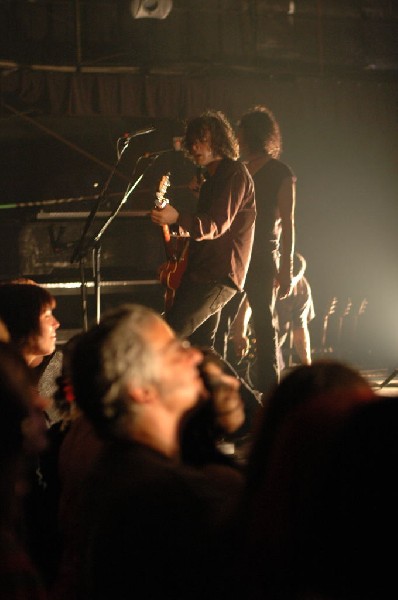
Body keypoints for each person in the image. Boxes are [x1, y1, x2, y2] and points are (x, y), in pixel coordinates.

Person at [63, 304, 245, 599]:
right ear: (140, 389)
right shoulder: (164, 498)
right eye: (176, 351)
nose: (196, 355)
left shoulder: (120, 472)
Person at [151, 109, 256, 348]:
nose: (195, 147)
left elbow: (216, 225)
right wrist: (180, 229)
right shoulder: (211, 180)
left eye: (202, 140)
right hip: (203, 271)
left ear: (219, 140)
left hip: (219, 274)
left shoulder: (234, 173)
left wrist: (177, 217)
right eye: (192, 142)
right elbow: (209, 227)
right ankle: (231, 387)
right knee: (202, 350)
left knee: (164, 339)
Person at [236, 105, 295, 395]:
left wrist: (287, 269)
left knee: (263, 323)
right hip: (236, 251)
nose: (237, 139)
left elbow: (289, 224)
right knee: (226, 322)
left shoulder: (280, 172)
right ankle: (235, 390)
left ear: (252, 136)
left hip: (262, 254)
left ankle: (271, 393)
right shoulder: (239, 171)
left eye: (241, 134)